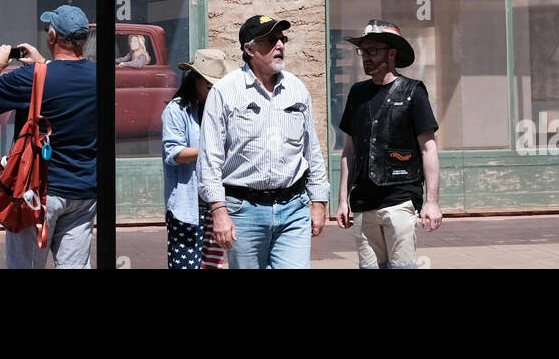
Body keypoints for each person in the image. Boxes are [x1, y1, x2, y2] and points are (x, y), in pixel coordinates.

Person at [198, 15, 331, 269]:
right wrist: (218, 211)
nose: (280, 45)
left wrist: (318, 201)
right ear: (249, 49)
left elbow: (312, 150)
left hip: (294, 207)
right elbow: (209, 159)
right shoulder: (224, 92)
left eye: (282, 39)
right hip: (243, 211)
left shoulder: (297, 89)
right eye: (271, 40)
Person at [0, 4, 97, 269]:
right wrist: (43, 63)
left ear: (52, 37)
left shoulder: (34, 78)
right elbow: (65, 81)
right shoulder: (98, 76)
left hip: (38, 193)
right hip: (84, 192)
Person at [335, 20, 441, 268]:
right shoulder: (357, 94)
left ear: (392, 53)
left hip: (400, 199)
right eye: (363, 51)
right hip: (362, 204)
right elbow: (349, 151)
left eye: (373, 50)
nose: (366, 57)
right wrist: (342, 200)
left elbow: (429, 149)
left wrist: (432, 202)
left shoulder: (414, 92)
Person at [161, 48, 231, 269]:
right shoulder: (177, 110)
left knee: (213, 265)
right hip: (188, 206)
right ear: (195, 80)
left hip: (217, 203)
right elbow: (174, 153)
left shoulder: (222, 108)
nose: (213, 91)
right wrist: (209, 149)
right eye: (209, 85)